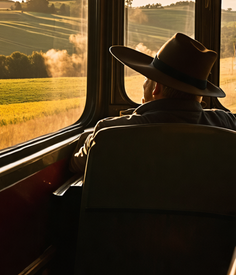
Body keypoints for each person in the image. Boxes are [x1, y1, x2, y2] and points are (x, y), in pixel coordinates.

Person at [69, 32, 236, 174]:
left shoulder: (109, 132)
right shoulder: (227, 123)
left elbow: (76, 166)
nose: (144, 84)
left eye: (147, 78)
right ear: (199, 95)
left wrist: (89, 137)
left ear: (156, 87)